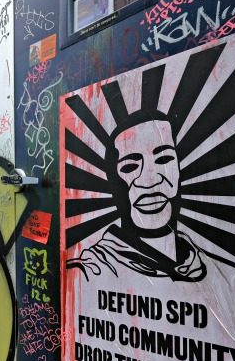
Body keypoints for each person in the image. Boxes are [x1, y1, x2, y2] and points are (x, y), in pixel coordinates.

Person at [67, 111, 206, 282]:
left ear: (178, 169)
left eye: (163, 159)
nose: (150, 180)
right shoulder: (85, 275)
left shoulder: (227, 276)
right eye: (130, 167)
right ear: (112, 182)